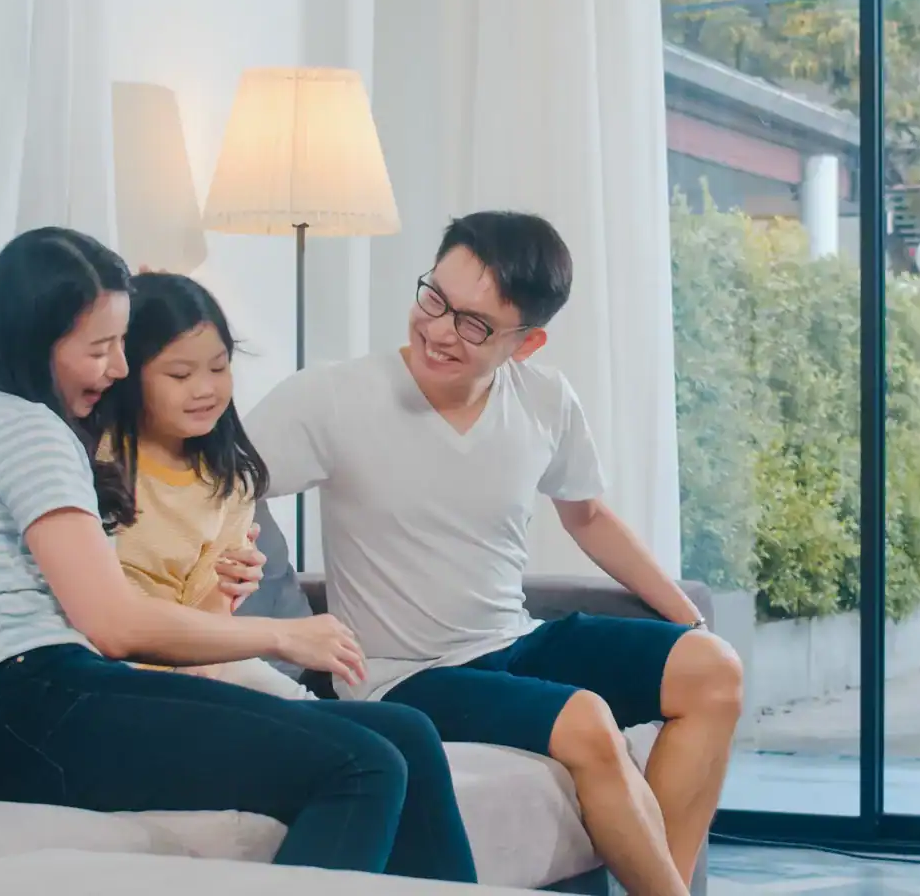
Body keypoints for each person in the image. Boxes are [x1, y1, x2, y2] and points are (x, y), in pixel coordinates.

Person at [0, 227, 476, 883]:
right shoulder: (23, 428)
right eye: (100, 348)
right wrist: (285, 635)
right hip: (35, 702)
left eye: (122, 345)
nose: (118, 368)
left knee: (404, 731)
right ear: (37, 341)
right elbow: (113, 624)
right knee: (364, 763)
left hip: (48, 697)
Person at [242, 211, 744, 896]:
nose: (440, 330)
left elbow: (588, 516)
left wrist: (687, 620)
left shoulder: (543, 400)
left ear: (527, 342)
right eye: (434, 299)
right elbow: (218, 483)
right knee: (585, 719)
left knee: (714, 670)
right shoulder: (332, 397)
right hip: (402, 675)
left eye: (474, 324)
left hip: (511, 642)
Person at [97, 271, 314, 699]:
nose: (205, 389)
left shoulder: (230, 482)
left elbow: (206, 636)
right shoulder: (94, 456)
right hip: (113, 673)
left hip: (198, 661)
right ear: (128, 373)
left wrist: (225, 590)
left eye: (219, 367)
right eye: (179, 375)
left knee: (387, 732)